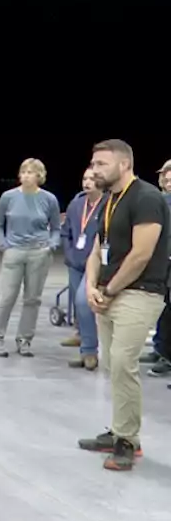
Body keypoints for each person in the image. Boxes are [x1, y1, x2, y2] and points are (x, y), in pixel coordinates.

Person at [77, 139, 169, 472]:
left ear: (124, 164)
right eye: (93, 163)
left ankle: (127, 442)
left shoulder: (147, 198)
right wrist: (91, 286)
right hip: (109, 291)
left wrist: (111, 289)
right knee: (110, 366)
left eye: (101, 164)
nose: (93, 169)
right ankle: (118, 428)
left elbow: (141, 254)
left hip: (139, 292)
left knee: (122, 363)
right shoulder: (110, 200)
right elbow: (97, 247)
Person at [0, 158, 61, 358]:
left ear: (39, 176)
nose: (27, 176)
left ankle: (25, 340)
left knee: (32, 299)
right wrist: (3, 245)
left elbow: (56, 227)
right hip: (14, 251)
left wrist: (52, 245)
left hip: (39, 252)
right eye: (24, 172)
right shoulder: (8, 197)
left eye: (31, 172)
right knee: (7, 297)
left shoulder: (49, 199)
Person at [59, 168, 103, 370]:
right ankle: (86, 348)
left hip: (94, 263)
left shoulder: (108, 204)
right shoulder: (77, 203)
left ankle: (90, 351)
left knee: (83, 301)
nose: (87, 182)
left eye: (92, 179)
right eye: (84, 178)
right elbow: (66, 231)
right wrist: (68, 254)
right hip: (74, 262)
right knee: (78, 305)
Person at [143, 160, 171, 377]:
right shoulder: (160, 200)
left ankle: (167, 357)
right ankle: (160, 349)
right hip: (163, 261)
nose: (168, 181)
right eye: (165, 177)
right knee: (163, 308)